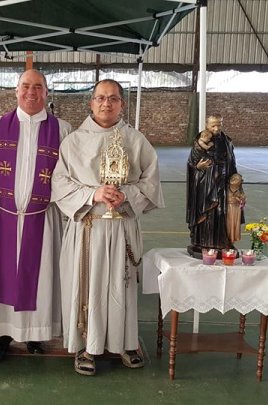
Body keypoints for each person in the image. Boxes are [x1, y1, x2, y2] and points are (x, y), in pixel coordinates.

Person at [52, 79, 164, 376]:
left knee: (121, 284)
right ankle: (85, 347)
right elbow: (60, 183)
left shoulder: (136, 140)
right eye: (100, 98)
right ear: (91, 103)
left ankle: (125, 342)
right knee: (87, 286)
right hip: (89, 226)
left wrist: (127, 195)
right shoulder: (74, 141)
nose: (106, 103)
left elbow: (150, 182)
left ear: (121, 104)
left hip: (122, 224)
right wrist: (94, 194)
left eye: (113, 98)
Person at [0, 69, 72, 363]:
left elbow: (71, 174)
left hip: (42, 218)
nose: (32, 93)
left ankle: (34, 334)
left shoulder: (63, 130)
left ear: (47, 92)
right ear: (16, 90)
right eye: (26, 86)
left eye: (38, 87)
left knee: (39, 278)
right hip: (2, 215)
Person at [186, 114, 241, 257]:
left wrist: (236, 182)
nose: (216, 128)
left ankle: (223, 242)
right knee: (208, 213)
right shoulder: (200, 141)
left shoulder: (227, 141)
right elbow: (192, 162)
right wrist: (198, 167)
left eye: (219, 125)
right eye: (213, 125)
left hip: (224, 183)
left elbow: (232, 163)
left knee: (223, 212)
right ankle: (203, 241)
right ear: (206, 125)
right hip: (206, 183)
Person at [226, 173, 246, 244]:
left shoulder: (240, 190)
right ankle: (226, 239)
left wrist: (240, 199)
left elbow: (243, 201)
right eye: (236, 179)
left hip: (236, 210)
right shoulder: (226, 189)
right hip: (228, 209)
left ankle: (231, 241)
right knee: (228, 225)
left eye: (239, 180)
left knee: (234, 225)